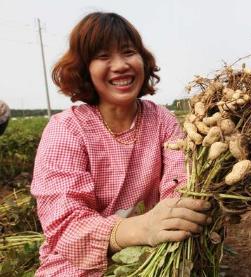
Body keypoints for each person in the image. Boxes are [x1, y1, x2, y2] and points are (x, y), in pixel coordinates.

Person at [31, 12, 211, 276]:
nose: (120, 65)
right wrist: (140, 229)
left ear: (143, 60)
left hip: (155, 255)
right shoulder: (67, 129)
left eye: (128, 52)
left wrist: (175, 215)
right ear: (84, 69)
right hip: (77, 264)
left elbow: (181, 182)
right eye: (103, 57)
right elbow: (65, 224)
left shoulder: (162, 120)